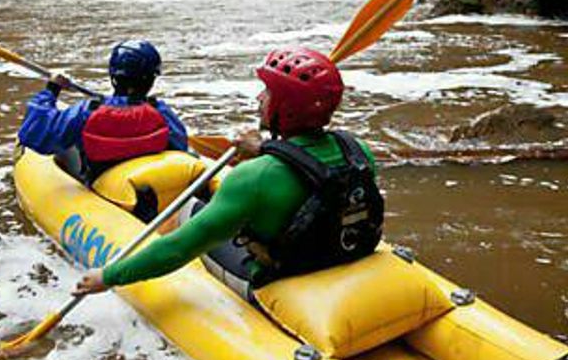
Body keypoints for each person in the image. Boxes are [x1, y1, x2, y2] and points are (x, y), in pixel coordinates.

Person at [74, 47, 384, 299]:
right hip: (340, 252)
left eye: (268, 92)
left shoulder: (253, 177)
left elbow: (178, 248)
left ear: (286, 107)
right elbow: (308, 170)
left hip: (279, 273)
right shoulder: (356, 150)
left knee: (188, 209)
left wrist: (109, 276)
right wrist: (266, 149)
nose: (259, 99)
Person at [18, 40, 188, 184]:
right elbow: (180, 147)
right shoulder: (161, 113)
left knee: (67, 141)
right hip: (151, 183)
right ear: (151, 79)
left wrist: (52, 89)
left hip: (103, 184)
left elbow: (34, 134)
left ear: (113, 76)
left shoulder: (87, 111)